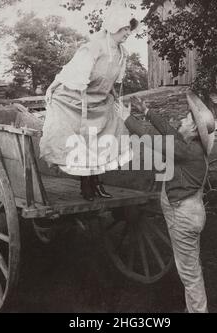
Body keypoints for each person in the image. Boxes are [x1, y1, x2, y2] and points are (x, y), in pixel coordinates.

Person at [116, 92, 215, 313]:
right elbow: (168, 130)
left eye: (188, 119)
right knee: (191, 268)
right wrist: (146, 111)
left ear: (193, 131)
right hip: (187, 211)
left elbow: (151, 139)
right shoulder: (189, 144)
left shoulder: (187, 151)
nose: (182, 120)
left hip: (184, 215)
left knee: (190, 275)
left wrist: (126, 118)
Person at [39, 2, 139, 201]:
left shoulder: (121, 53)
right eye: (125, 28)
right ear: (114, 26)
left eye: (129, 29)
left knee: (104, 139)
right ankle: (86, 184)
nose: (128, 33)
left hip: (100, 101)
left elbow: (109, 80)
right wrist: (51, 87)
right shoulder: (94, 47)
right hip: (75, 100)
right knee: (82, 141)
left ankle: (97, 183)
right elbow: (72, 71)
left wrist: (114, 98)